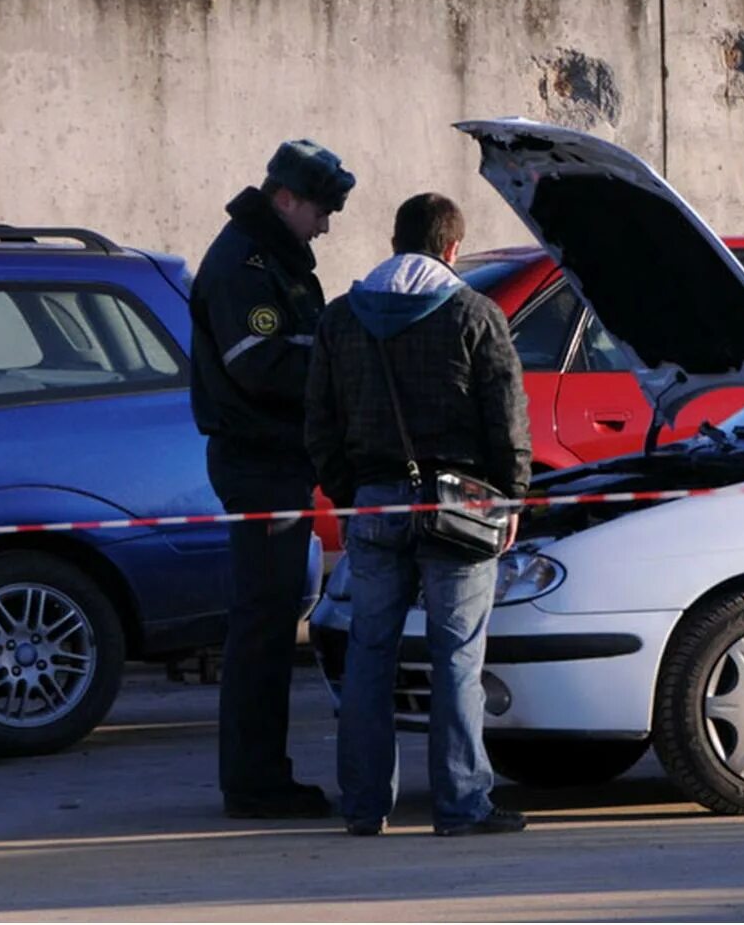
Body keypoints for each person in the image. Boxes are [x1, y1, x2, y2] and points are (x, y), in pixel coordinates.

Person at [305, 192, 533, 837]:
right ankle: (461, 804)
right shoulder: (475, 313)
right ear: (453, 248)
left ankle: (365, 805)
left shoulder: (341, 318)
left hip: (374, 503)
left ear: (393, 238)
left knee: (369, 654)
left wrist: (350, 493)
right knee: (456, 655)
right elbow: (507, 417)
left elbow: (319, 423)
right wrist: (509, 494)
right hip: (459, 510)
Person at [189, 139, 355, 819]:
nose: (324, 225)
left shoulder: (268, 257)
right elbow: (260, 364)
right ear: (285, 198)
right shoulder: (244, 264)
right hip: (258, 464)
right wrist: (339, 369)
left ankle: (262, 774)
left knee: (268, 617)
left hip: (276, 461)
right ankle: (256, 782)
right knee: (262, 626)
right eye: (320, 210)